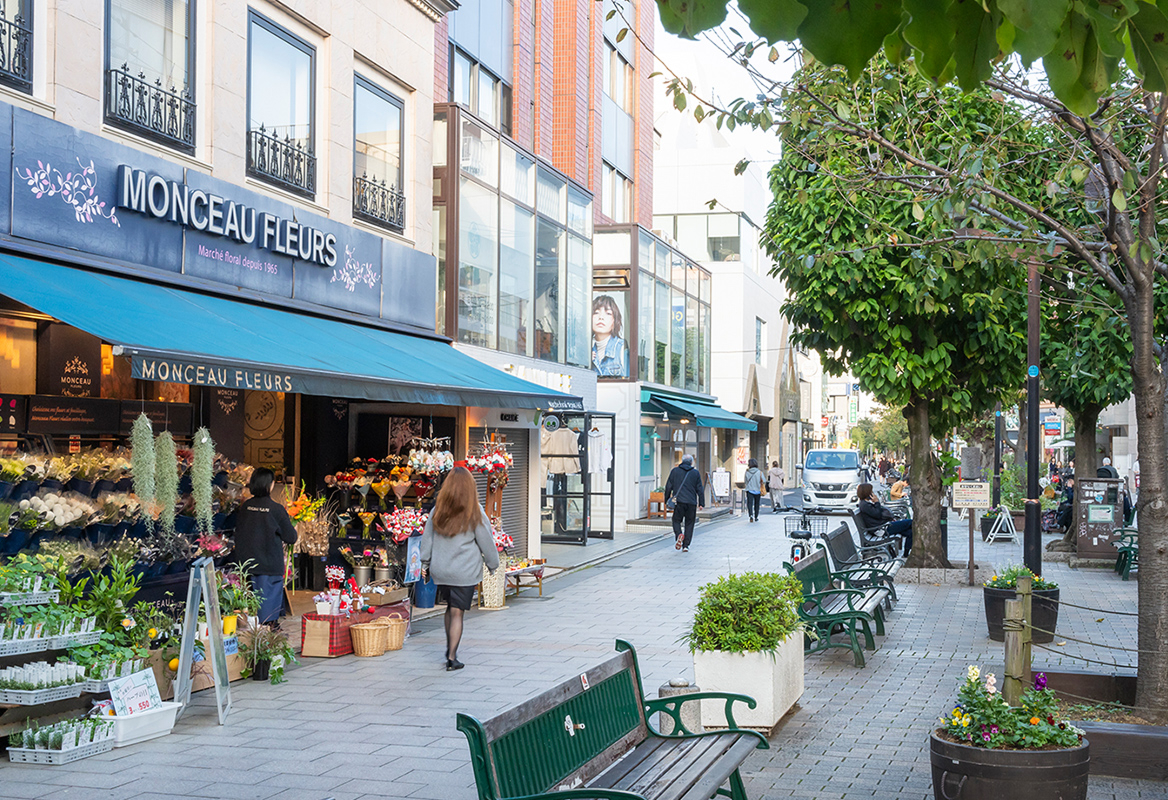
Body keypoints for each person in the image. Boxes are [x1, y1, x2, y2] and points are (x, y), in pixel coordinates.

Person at [419, 467, 500, 671]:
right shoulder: (475, 512)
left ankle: (450, 648)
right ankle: (452, 657)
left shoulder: (438, 510)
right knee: (457, 612)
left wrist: (425, 563)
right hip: (464, 571)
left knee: (450, 607)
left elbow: (427, 539)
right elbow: (486, 541)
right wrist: (493, 564)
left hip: (441, 570)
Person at [232, 468, 298, 628]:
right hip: (268, 565)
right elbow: (291, 537)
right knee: (267, 610)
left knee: (248, 604)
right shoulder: (276, 509)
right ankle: (267, 632)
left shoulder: (246, 506)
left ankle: (251, 630)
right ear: (270, 485)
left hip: (246, 564)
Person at [856, 483, 912, 557]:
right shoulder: (864, 505)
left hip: (883, 526)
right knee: (911, 522)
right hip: (881, 529)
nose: (873, 493)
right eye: (871, 491)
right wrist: (877, 502)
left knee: (910, 532)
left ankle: (906, 554)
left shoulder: (866, 503)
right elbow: (877, 514)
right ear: (867, 492)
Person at [663, 454, 704, 552]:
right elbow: (700, 489)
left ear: (682, 461)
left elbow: (668, 486)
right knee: (689, 523)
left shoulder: (675, 471)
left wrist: (666, 499)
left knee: (676, 520)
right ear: (691, 462)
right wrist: (701, 503)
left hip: (679, 502)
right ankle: (686, 546)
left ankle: (679, 535)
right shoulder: (695, 473)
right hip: (691, 502)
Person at [591, 295, 629, 377]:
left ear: (615, 321)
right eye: (596, 313)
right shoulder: (587, 353)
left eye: (608, 313)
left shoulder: (622, 348)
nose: (601, 317)